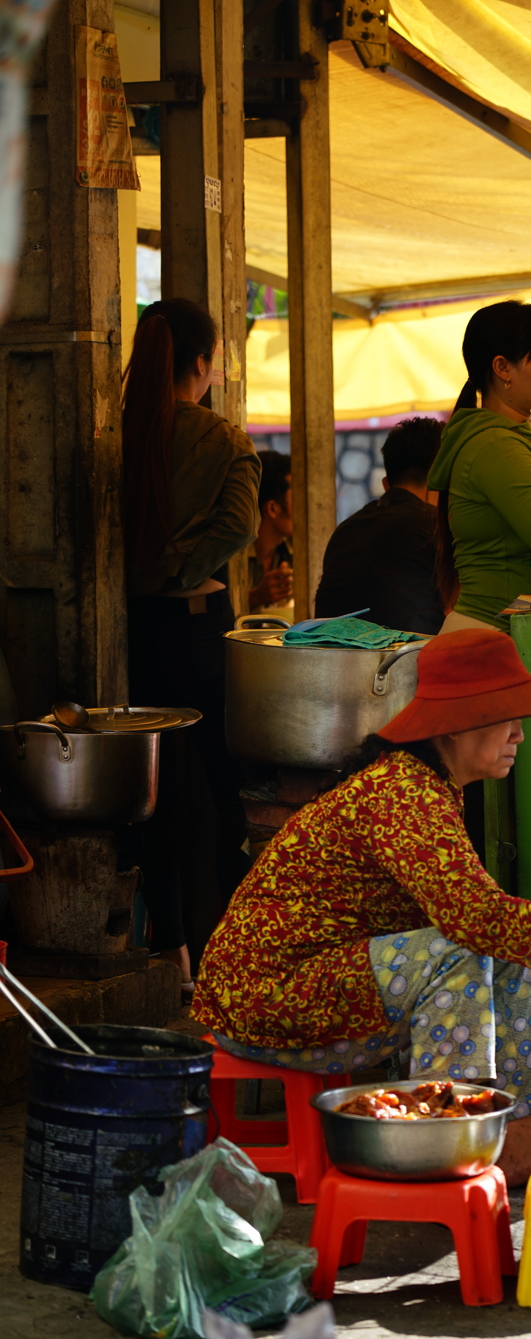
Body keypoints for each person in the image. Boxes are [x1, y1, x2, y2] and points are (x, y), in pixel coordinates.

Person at [192, 628, 531, 1182]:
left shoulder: (429, 786)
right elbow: (478, 921)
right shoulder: (402, 791)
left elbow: (494, 924)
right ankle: (445, 1143)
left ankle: (519, 1146)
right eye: (507, 717)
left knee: (509, 946)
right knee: (464, 951)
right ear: (458, 723)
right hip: (264, 998)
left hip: (330, 986)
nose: (520, 734)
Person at [122, 298, 261, 991]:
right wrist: (180, 562)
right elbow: (240, 525)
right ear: (202, 364)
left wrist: (150, 568)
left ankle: (170, 946)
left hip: (134, 632)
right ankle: (234, 948)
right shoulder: (220, 436)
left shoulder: (119, 433)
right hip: (199, 626)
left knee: (153, 794)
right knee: (221, 791)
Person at [429, 300, 531, 635]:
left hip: (495, 631)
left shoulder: (508, 440)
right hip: (486, 637)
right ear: (503, 368)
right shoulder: (496, 446)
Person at [315, 417, 445, 634]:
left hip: (334, 662)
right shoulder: (436, 526)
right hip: (407, 661)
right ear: (439, 479)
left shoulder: (345, 530)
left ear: (386, 484)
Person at [249, 451, 294, 611]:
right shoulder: (232, 556)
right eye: (296, 497)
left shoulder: (295, 553)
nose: (305, 507)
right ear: (273, 508)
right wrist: (255, 597)